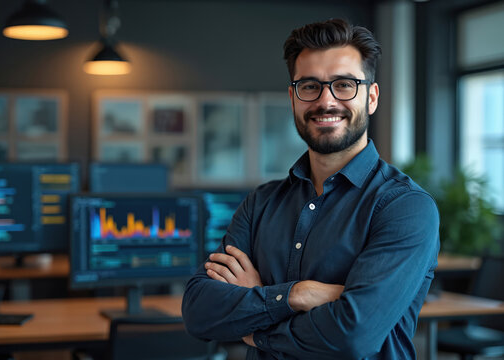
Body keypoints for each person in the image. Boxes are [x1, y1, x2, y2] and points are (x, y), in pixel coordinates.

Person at [182, 18, 440, 360]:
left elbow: (352, 336)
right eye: (310, 86)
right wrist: (296, 295)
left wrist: (257, 326)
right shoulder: (261, 203)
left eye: (344, 85)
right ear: (293, 98)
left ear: (372, 97)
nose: (326, 101)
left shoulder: (404, 207)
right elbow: (199, 310)